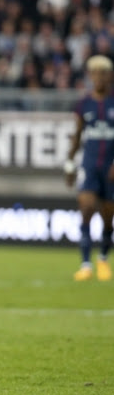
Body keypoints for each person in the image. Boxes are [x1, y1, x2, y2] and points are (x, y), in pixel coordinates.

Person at [64, 54, 114, 282]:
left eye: (103, 73)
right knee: (85, 209)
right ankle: (85, 264)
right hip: (90, 166)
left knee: (107, 217)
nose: (98, 78)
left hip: (111, 169)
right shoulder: (84, 104)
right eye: (94, 73)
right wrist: (69, 164)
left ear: (109, 76)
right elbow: (76, 137)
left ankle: (102, 258)